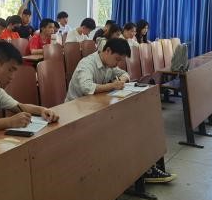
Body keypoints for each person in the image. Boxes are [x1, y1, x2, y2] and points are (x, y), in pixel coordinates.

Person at [65, 38, 175, 183]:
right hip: (76, 113)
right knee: (122, 129)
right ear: (107, 51)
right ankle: (138, 169)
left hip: (95, 108)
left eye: (120, 61)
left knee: (135, 123)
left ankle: (144, 166)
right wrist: (113, 86)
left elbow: (124, 74)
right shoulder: (87, 64)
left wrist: (122, 80)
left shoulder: (109, 64)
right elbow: (87, 88)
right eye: (117, 59)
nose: (117, 63)